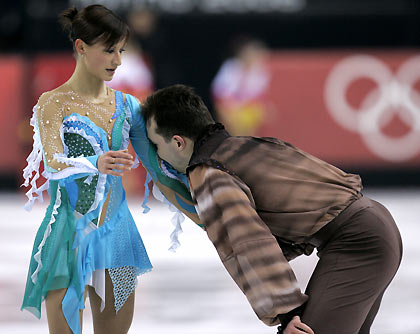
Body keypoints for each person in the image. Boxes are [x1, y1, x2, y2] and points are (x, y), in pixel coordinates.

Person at [141, 84, 403, 334]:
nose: (156, 155)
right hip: (376, 224)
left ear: (177, 142)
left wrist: (287, 312)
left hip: (359, 243)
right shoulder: (248, 145)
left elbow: (247, 242)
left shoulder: (209, 172)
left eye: (156, 145)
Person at [20, 5, 195, 334]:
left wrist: (208, 217)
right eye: (109, 50)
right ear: (81, 47)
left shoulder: (128, 105)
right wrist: (94, 162)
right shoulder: (52, 103)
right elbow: (55, 163)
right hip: (65, 238)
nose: (117, 60)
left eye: (121, 51)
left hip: (118, 239)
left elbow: (160, 171)